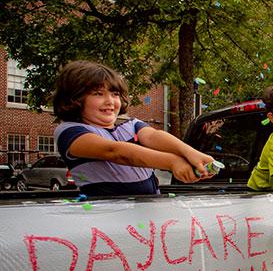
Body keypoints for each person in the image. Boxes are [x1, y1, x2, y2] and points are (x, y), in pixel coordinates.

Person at [53, 60, 217, 197]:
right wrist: (173, 162)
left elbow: (154, 136)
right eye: (98, 94)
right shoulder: (69, 131)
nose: (110, 101)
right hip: (107, 221)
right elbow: (116, 152)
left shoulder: (131, 125)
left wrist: (191, 153)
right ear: (74, 98)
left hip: (147, 218)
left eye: (115, 94)